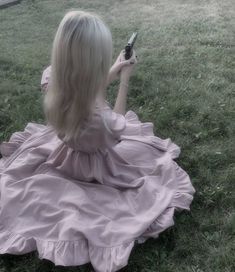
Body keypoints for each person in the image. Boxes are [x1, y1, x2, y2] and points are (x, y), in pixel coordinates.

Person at [0, 10, 195, 272]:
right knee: (145, 180)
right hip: (96, 164)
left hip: (64, 151)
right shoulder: (100, 122)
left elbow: (83, 89)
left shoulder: (53, 80)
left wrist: (114, 69)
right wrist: (124, 80)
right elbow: (116, 125)